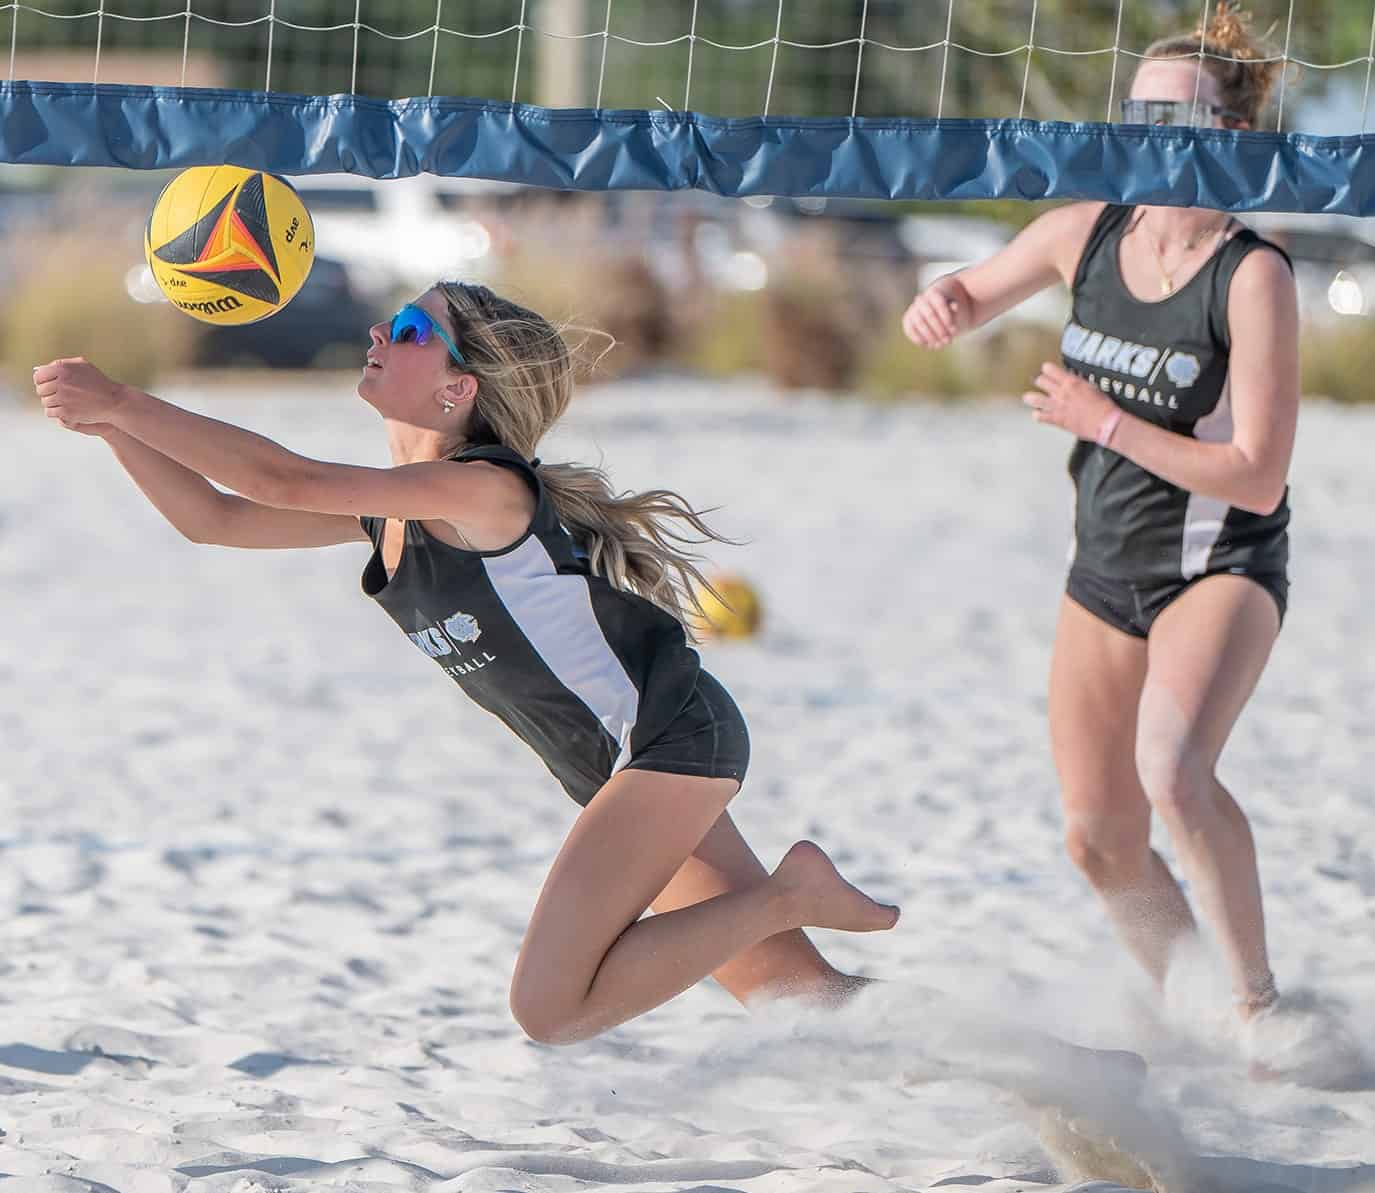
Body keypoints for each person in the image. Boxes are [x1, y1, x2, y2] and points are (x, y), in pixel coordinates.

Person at [35, 281, 902, 1045]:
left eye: (410, 329)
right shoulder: (392, 513)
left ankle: (792, 891)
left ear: (459, 389)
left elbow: (285, 480)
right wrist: (110, 423)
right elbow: (215, 519)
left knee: (552, 1007)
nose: (380, 332)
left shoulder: (485, 488)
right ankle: (970, 1057)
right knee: (803, 1001)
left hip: (668, 742)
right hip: (624, 768)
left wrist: (125, 397)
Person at [901, 5, 1310, 1067]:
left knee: (1172, 770)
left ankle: (1261, 1006)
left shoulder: (1250, 273)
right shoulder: (1085, 230)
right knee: (1096, 835)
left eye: (1178, 111)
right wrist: (938, 300)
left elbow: (1258, 474)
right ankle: (1195, 1010)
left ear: (1228, 132)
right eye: (1138, 109)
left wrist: (1107, 421)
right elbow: (971, 290)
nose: (1152, 126)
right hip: (1105, 572)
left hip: (1218, 564)